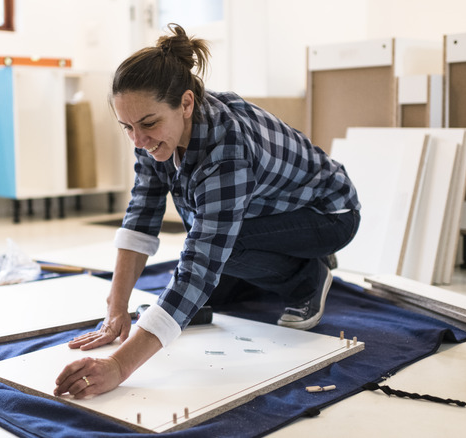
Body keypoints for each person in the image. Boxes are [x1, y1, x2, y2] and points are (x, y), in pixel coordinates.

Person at [54, 23, 360, 399]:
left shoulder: (225, 147)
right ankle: (266, 268)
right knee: (202, 230)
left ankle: (307, 276)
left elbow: (202, 259)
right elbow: (141, 216)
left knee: (220, 247)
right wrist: (116, 309)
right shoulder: (151, 130)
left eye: (148, 124)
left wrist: (119, 365)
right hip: (265, 210)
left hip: (329, 213)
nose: (138, 140)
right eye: (127, 127)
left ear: (186, 103)